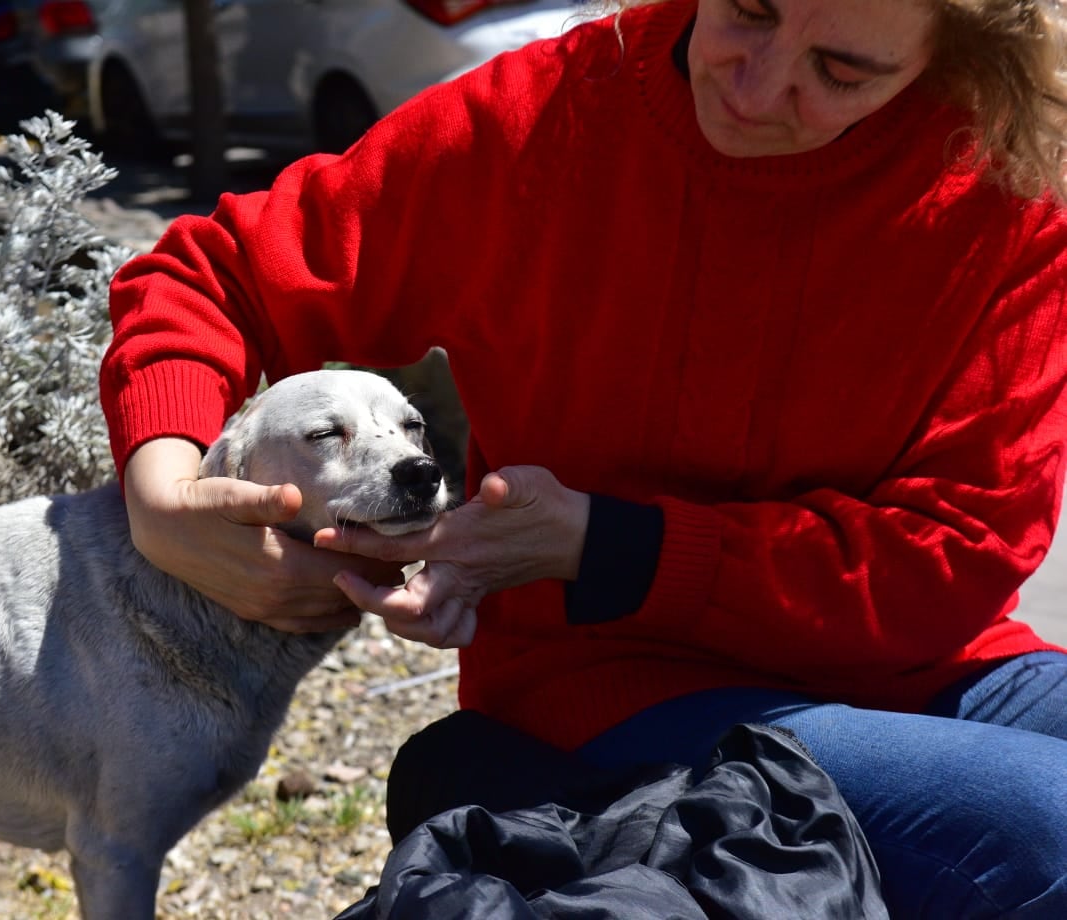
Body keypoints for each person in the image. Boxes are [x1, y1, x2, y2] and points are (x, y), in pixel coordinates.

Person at [99, 0, 1067, 913]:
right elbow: (215, 276)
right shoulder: (546, 119)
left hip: (939, 661)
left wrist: (616, 544)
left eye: (843, 68)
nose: (756, 88)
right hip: (614, 680)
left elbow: (957, 553)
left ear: (961, 54)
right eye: (748, 10)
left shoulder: (1010, 177)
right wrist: (163, 492)